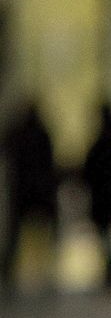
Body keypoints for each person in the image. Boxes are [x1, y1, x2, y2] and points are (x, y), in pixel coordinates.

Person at [0, 100, 60, 297]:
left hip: (26, 190)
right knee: (34, 233)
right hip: (34, 190)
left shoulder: (23, 135)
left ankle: (11, 270)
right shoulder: (39, 134)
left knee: (19, 234)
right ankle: (41, 268)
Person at [81, 100, 111, 292]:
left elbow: (90, 167)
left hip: (104, 194)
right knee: (108, 235)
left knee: (106, 235)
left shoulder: (102, 140)